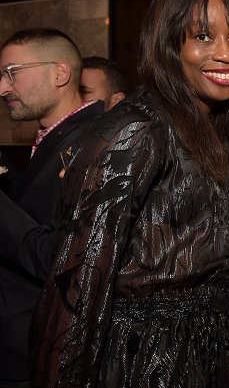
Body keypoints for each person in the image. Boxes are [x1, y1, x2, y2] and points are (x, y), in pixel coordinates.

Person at [31, 0, 229, 386]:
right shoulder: (136, 130)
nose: (228, 53)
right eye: (204, 37)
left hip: (211, 357)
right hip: (144, 364)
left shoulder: (219, 130)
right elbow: (77, 286)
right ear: (169, 44)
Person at [0, 28, 104, 388]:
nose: (2, 87)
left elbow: (64, 259)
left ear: (59, 74)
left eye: (12, 72)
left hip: (48, 351)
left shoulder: (95, 142)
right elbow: (39, 207)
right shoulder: (57, 136)